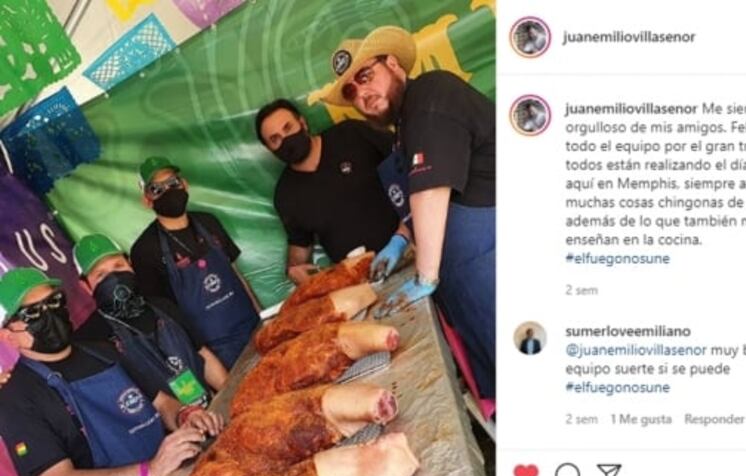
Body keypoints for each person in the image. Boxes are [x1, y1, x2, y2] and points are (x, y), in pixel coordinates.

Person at [323, 26, 496, 398]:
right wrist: (400, 239)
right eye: (351, 92)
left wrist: (426, 277)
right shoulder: (404, 128)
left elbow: (432, 189)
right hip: (468, 280)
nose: (362, 94)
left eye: (365, 76)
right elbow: (425, 192)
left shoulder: (432, 94)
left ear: (393, 64)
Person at [0, 267, 208, 476]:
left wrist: (187, 415)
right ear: (8, 336)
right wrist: (150, 471)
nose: (49, 314)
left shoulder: (103, 351)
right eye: (32, 314)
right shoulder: (16, 399)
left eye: (54, 302)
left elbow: (163, 403)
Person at [73, 233, 228, 429]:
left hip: (212, 415)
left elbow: (203, 355)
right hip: (171, 438)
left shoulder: (163, 306)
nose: (114, 278)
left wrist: (229, 394)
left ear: (130, 264)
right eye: (101, 275)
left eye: (118, 266)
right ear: (85, 286)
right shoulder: (90, 340)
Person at [254, 99, 411, 284]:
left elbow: (412, 171)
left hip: (414, 250)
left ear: (302, 123)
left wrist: (402, 237)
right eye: (275, 139)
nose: (285, 140)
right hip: (363, 283)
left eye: (288, 128)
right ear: (269, 149)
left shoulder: (352, 134)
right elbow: (300, 242)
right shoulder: (285, 195)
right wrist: (294, 269)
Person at [130, 157, 261, 369]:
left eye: (173, 183)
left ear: (184, 184)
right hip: (217, 352)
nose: (168, 191)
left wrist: (262, 318)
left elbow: (236, 273)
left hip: (254, 326)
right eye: (157, 189)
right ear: (147, 200)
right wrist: (209, 366)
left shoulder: (208, 222)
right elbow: (165, 319)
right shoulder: (144, 250)